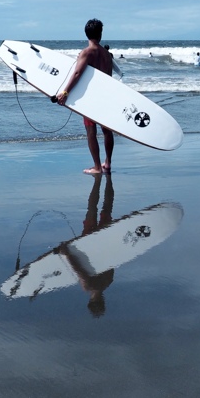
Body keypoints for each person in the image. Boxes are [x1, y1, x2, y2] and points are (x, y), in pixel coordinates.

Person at [56, 18, 115, 175]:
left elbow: (77, 73)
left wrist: (65, 92)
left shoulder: (87, 52)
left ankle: (97, 167)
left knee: (91, 132)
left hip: (91, 99)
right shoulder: (107, 55)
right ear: (100, 34)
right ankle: (107, 163)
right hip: (106, 97)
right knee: (107, 131)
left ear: (86, 34)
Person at [56, 173, 116, 317]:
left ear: (103, 301)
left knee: (106, 209)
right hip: (89, 244)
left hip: (104, 242)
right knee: (91, 209)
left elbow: (113, 259)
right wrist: (66, 253)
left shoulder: (109, 281)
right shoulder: (89, 285)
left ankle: (103, 181)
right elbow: (77, 267)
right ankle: (98, 182)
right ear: (91, 301)